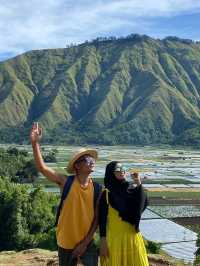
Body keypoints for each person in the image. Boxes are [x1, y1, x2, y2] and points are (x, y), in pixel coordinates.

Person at [30, 123, 101, 266]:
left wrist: (85, 243)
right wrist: (35, 143)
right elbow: (42, 168)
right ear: (77, 165)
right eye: (87, 160)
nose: (92, 163)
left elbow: (96, 220)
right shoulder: (65, 182)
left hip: (87, 243)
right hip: (65, 242)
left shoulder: (98, 189)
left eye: (92, 160)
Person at [99, 161, 149, 266]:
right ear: (111, 173)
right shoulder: (106, 193)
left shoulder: (131, 189)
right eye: (118, 169)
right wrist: (103, 240)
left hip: (132, 238)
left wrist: (138, 182)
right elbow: (102, 219)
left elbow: (142, 204)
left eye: (123, 168)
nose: (122, 171)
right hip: (115, 241)